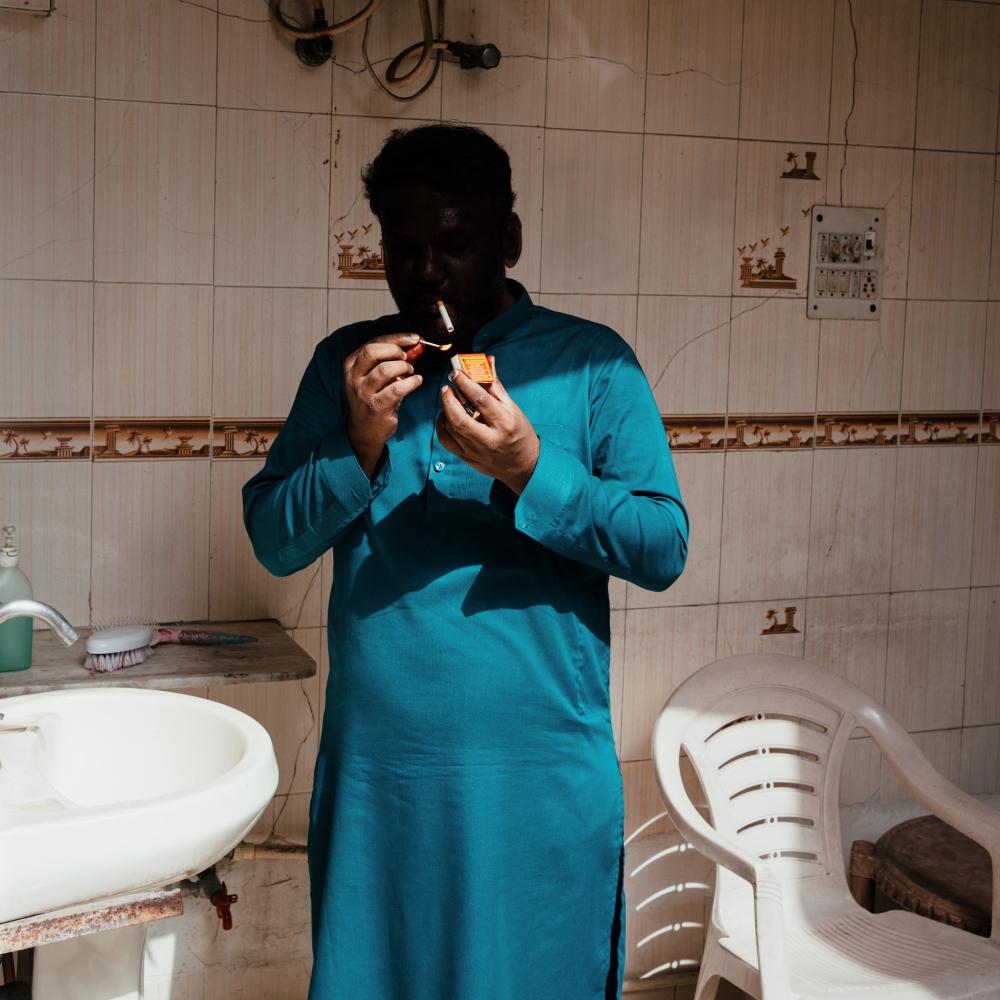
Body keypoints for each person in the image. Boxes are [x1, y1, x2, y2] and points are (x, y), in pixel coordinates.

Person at [242, 123, 688, 1000]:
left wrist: (530, 467)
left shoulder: (592, 364)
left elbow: (662, 546)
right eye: (403, 248)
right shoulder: (349, 367)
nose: (427, 273)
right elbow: (274, 538)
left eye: (454, 245)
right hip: (383, 782)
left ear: (507, 240)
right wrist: (356, 443)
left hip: (536, 779)